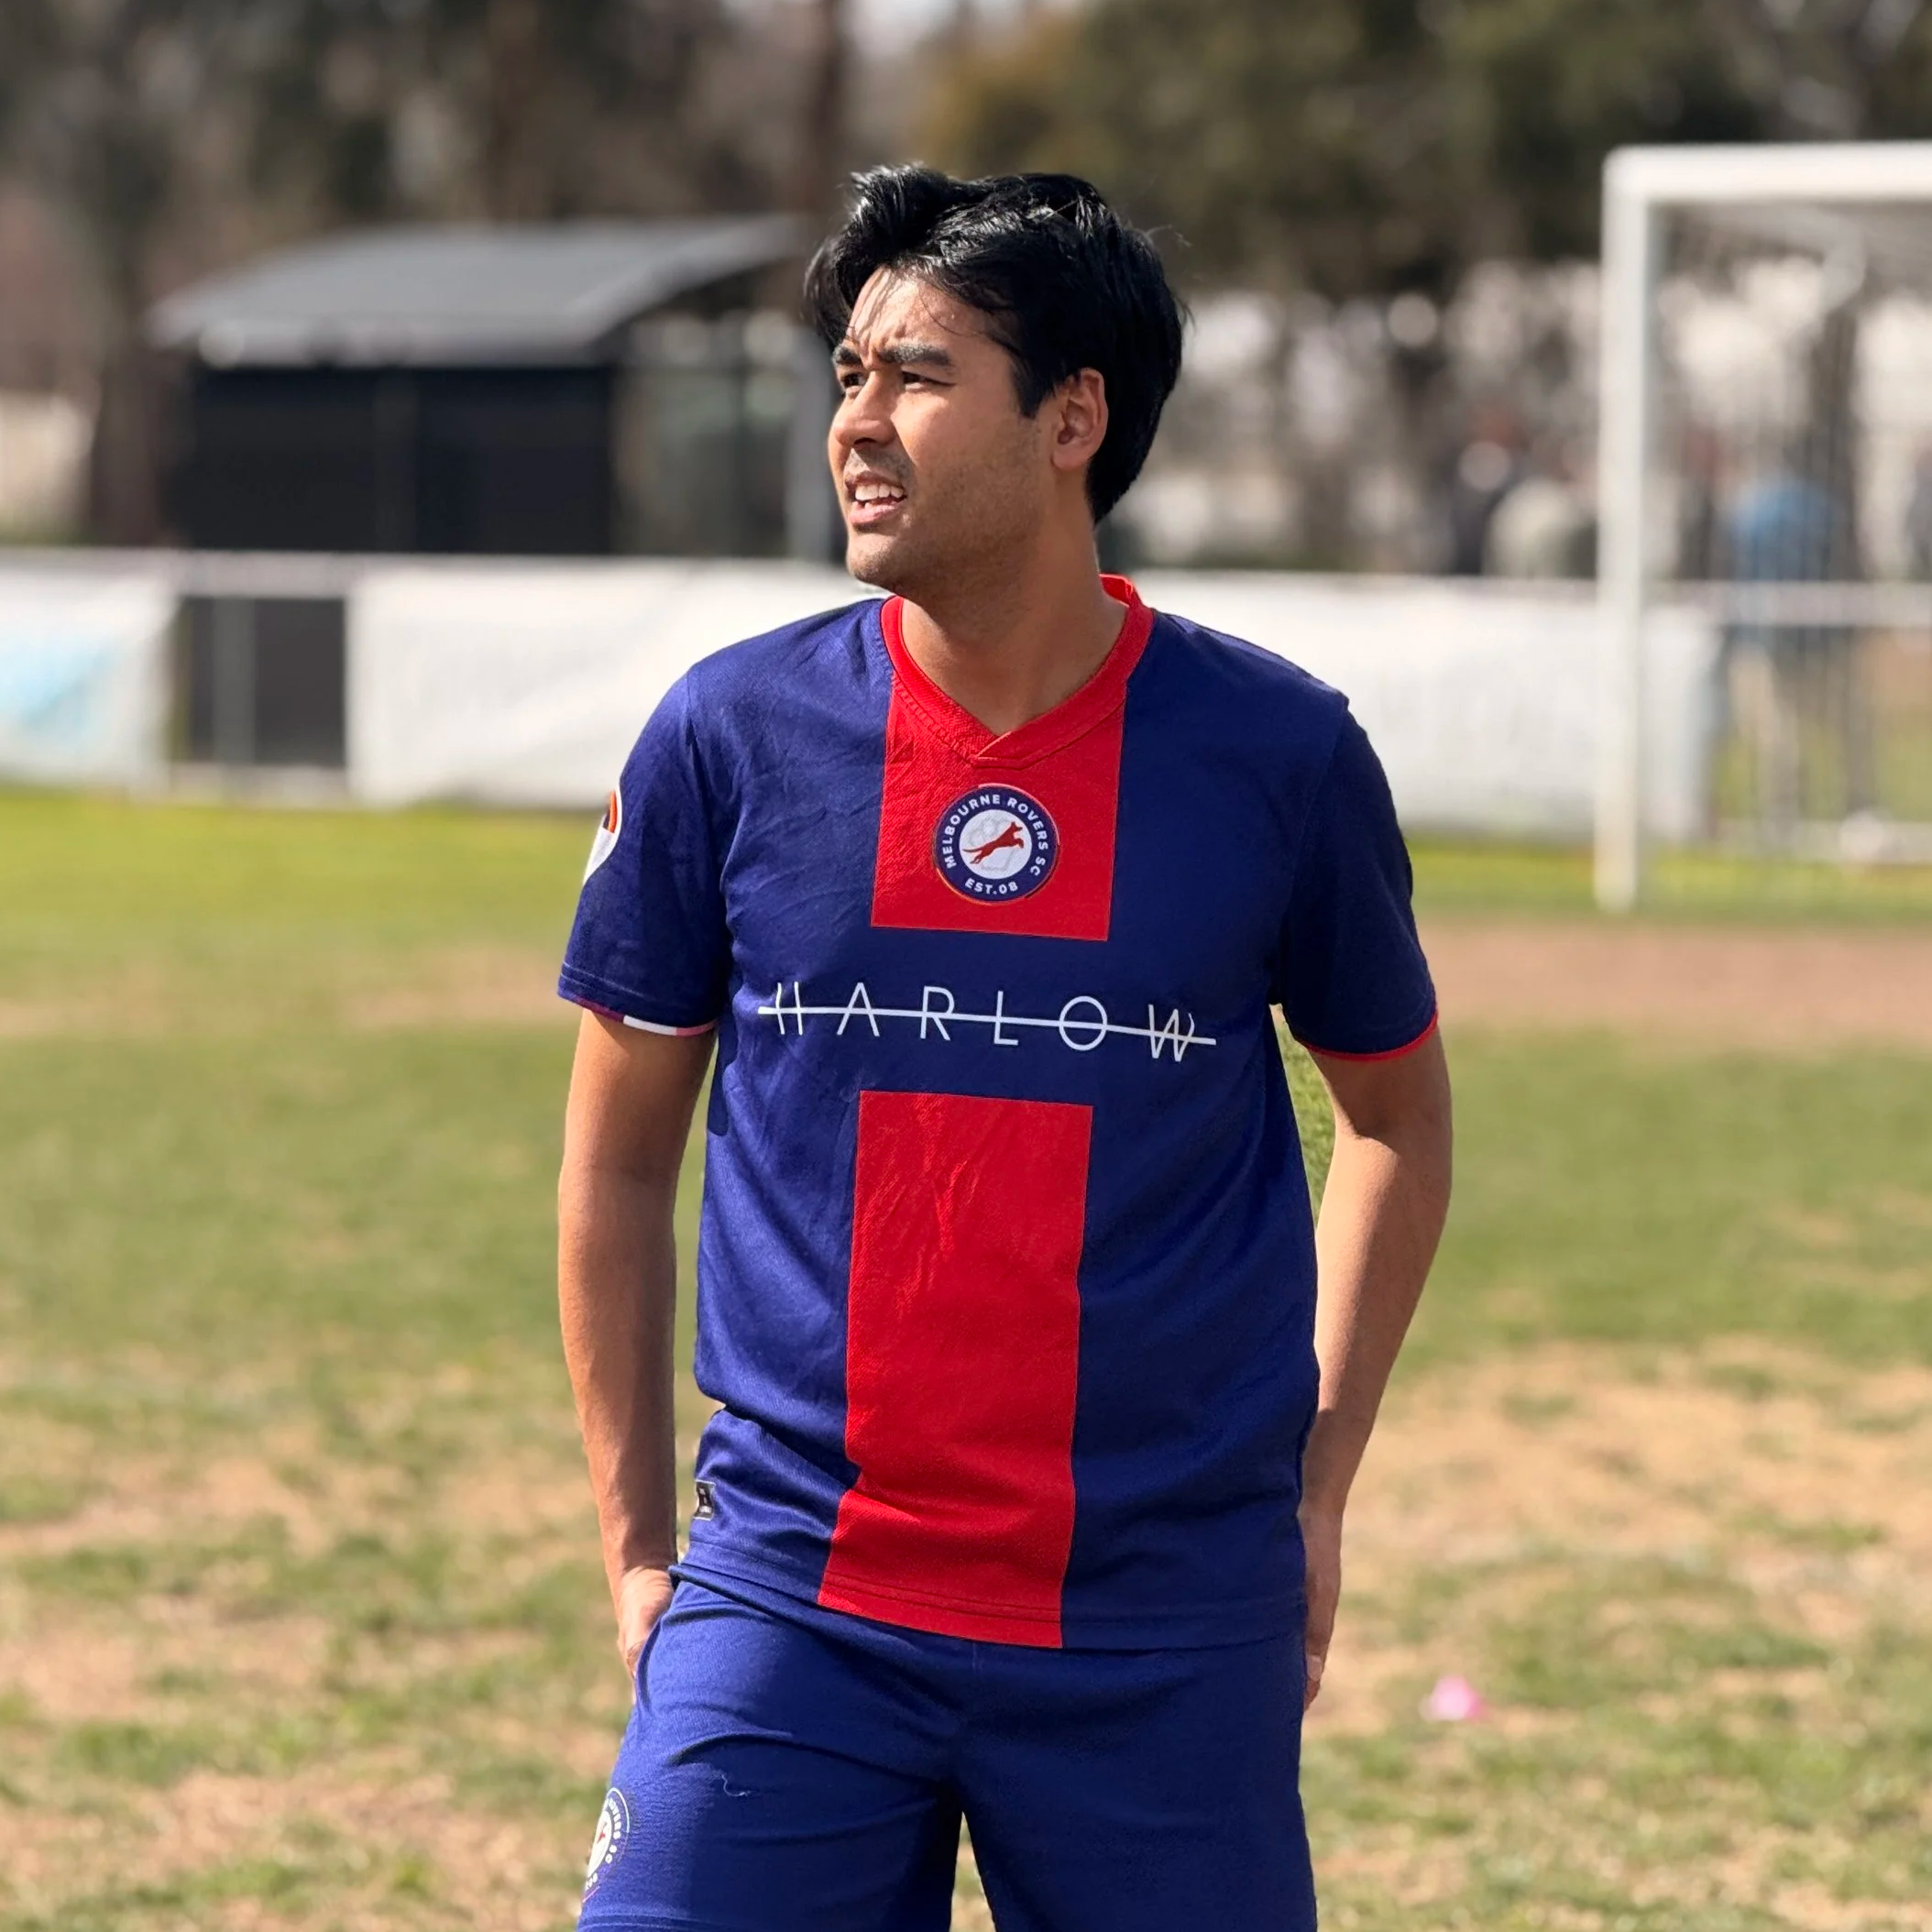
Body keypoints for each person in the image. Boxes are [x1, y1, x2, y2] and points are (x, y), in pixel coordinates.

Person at [556, 166, 1453, 1932]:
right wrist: (638, 1553)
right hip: (795, 1600)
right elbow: (613, 1156)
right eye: (847, 374)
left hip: (1160, 1614)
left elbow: (1399, 1124)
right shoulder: (727, 737)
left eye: (916, 373)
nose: (856, 423)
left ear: (1073, 419)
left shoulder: (1277, 753)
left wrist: (1315, 1488)